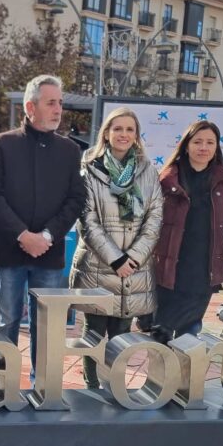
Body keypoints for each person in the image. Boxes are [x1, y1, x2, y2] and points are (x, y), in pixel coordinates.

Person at [0, 74, 86, 379]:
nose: (58, 109)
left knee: (46, 324)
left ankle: (42, 387)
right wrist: (23, 235)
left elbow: (76, 198)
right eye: (50, 102)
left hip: (50, 253)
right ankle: (4, 383)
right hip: (10, 251)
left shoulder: (69, 150)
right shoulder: (2, 144)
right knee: (8, 320)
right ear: (30, 106)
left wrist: (47, 235)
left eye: (60, 103)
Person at [69, 107, 163, 389]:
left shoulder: (148, 171)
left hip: (134, 270)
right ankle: (92, 387)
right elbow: (87, 221)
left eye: (129, 129)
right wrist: (116, 259)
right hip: (98, 267)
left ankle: (115, 388)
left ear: (136, 136)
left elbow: (155, 216)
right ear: (106, 134)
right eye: (117, 129)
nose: (123, 134)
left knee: (122, 334)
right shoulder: (89, 171)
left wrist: (132, 258)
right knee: (93, 334)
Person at [151, 120, 223, 343]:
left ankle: (183, 377)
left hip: (203, 272)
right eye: (197, 141)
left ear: (217, 147)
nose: (203, 147)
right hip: (169, 269)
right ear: (186, 145)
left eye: (210, 142)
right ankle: (157, 378)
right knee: (161, 333)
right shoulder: (167, 180)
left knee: (190, 332)